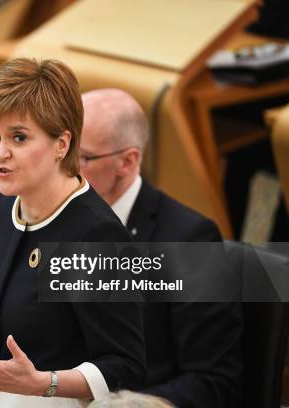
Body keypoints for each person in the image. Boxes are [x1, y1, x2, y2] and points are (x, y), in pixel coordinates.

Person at [0, 59, 145, 407]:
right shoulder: (3, 209)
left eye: (18, 137)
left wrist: (42, 383)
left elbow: (126, 367)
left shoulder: (94, 236)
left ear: (61, 144)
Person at [79, 89, 242, 407]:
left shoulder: (189, 239)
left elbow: (214, 382)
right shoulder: (56, 216)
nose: (64, 167)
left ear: (127, 162)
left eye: (82, 157)